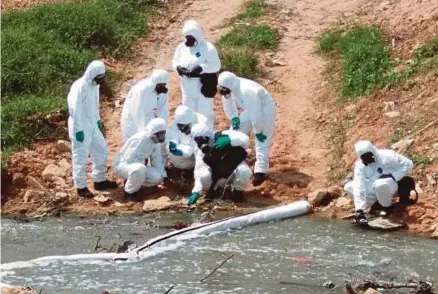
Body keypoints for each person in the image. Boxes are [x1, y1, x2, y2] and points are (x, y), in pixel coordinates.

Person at [67, 60, 118, 198]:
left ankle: (99, 180)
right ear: (91, 74)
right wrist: (78, 130)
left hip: (92, 124)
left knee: (101, 151)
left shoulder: (94, 86)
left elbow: (95, 105)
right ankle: (81, 186)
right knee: (81, 156)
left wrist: (98, 121)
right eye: (98, 77)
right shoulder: (79, 86)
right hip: (81, 125)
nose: (100, 80)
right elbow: (74, 109)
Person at [217, 71, 276, 186]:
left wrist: (258, 131)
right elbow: (227, 101)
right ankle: (235, 157)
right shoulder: (229, 85)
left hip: (265, 110)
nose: (224, 92)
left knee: (262, 140)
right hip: (251, 109)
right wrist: (234, 117)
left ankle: (261, 171)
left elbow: (256, 114)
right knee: (235, 131)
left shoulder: (247, 91)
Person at [344, 140, 414, 226]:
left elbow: (408, 164)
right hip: (374, 187)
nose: (368, 159)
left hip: (390, 186)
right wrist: (359, 210)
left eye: (368, 155)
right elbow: (359, 186)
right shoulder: (360, 166)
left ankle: (387, 206)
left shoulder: (388, 155)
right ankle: (371, 206)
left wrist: (393, 176)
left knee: (380, 184)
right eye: (364, 157)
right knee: (349, 187)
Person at [172, 19, 221, 129]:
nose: (188, 40)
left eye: (190, 38)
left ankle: (207, 138)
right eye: (186, 37)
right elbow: (175, 61)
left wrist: (201, 68)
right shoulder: (181, 48)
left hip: (203, 87)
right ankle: (192, 140)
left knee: (205, 116)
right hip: (187, 88)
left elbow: (216, 65)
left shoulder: (208, 48)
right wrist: (179, 69)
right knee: (189, 114)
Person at [187, 123, 252, 206]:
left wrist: (231, 141)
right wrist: (196, 192)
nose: (202, 143)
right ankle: (216, 191)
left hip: (234, 170)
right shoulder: (200, 152)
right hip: (218, 175)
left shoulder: (224, 135)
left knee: (244, 171)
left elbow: (246, 140)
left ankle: (237, 193)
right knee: (204, 177)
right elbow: (199, 172)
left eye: (204, 139)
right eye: (198, 140)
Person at [113, 118, 167, 200]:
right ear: (154, 132)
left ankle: (135, 183)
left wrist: (164, 176)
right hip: (122, 166)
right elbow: (127, 160)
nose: (162, 136)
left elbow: (157, 161)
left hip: (139, 168)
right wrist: (141, 165)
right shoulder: (139, 139)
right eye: (160, 133)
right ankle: (129, 193)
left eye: (163, 133)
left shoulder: (155, 143)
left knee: (158, 177)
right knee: (139, 169)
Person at [121, 69, 169, 142]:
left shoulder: (163, 90)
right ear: (154, 82)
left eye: (164, 84)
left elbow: (162, 109)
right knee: (135, 143)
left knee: (152, 143)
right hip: (132, 119)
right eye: (159, 85)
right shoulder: (142, 90)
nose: (162, 86)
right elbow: (137, 113)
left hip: (149, 115)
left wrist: (161, 128)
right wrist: (144, 134)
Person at [167, 105, 208, 171]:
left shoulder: (203, 123)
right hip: (185, 152)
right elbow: (170, 138)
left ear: (190, 123)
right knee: (173, 157)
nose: (181, 129)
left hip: (198, 153)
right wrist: (172, 144)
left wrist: (185, 152)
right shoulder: (176, 123)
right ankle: (190, 168)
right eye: (179, 126)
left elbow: (198, 146)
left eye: (184, 127)